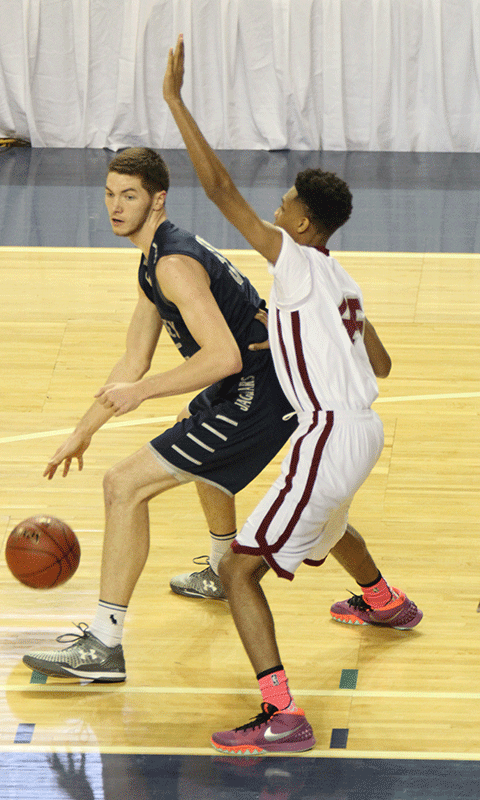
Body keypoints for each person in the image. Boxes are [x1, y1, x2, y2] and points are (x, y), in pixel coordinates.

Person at [163, 34, 422, 754]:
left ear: (303, 222)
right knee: (330, 522)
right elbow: (384, 362)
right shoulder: (341, 277)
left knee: (240, 569)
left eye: (285, 203)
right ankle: (384, 603)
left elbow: (219, 191)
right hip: (364, 430)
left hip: (329, 430)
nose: (274, 208)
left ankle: (283, 714)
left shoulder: (299, 262)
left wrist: (175, 102)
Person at [22, 145, 300, 681]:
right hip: (247, 383)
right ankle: (224, 570)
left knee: (123, 485)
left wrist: (144, 393)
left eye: (129, 196)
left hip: (257, 388)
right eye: (109, 194)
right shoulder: (153, 260)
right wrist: (84, 431)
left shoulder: (172, 264)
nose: (115, 206)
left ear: (158, 201)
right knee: (189, 437)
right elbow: (133, 358)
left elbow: (224, 356)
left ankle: (104, 644)